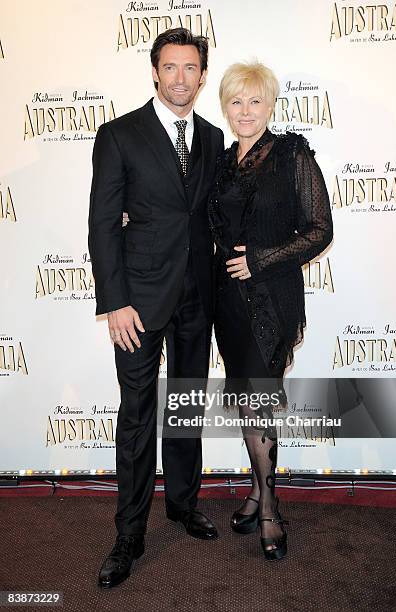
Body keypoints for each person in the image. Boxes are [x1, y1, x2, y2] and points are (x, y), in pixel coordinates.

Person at [88, 28, 224, 588]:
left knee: (186, 406)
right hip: (138, 305)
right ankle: (129, 534)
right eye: (171, 67)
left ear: (201, 74)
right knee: (139, 417)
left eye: (191, 68)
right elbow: (102, 224)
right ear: (154, 71)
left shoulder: (213, 138)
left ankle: (184, 503)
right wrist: (115, 300)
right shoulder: (119, 135)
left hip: (199, 297)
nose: (181, 79)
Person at [209, 62, 333, 561]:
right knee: (245, 397)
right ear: (226, 106)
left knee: (260, 399)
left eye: (254, 101)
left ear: (270, 105)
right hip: (227, 304)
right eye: (236, 102)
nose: (245, 111)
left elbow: (319, 229)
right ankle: (260, 488)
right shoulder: (219, 164)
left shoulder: (291, 154)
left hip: (271, 300)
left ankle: (270, 508)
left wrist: (260, 260)